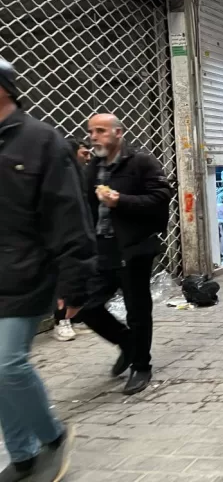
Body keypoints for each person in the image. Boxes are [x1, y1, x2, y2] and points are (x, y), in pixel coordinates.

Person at [0, 58, 95, 481]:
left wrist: (73, 284)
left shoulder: (41, 141)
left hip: (26, 271)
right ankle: (21, 455)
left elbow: (69, 215)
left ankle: (53, 438)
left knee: (8, 364)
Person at [76, 113, 173, 395]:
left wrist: (120, 200)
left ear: (119, 133)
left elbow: (160, 196)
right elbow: (85, 203)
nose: (94, 137)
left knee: (137, 310)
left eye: (101, 131)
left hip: (133, 248)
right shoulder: (93, 167)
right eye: (91, 131)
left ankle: (141, 365)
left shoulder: (141, 162)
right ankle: (128, 343)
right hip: (102, 248)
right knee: (87, 307)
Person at [52, 138, 93, 343]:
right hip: (62, 236)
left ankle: (75, 318)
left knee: (80, 278)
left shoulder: (82, 174)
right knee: (63, 281)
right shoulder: (59, 175)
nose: (88, 157)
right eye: (84, 153)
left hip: (81, 234)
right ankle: (61, 322)